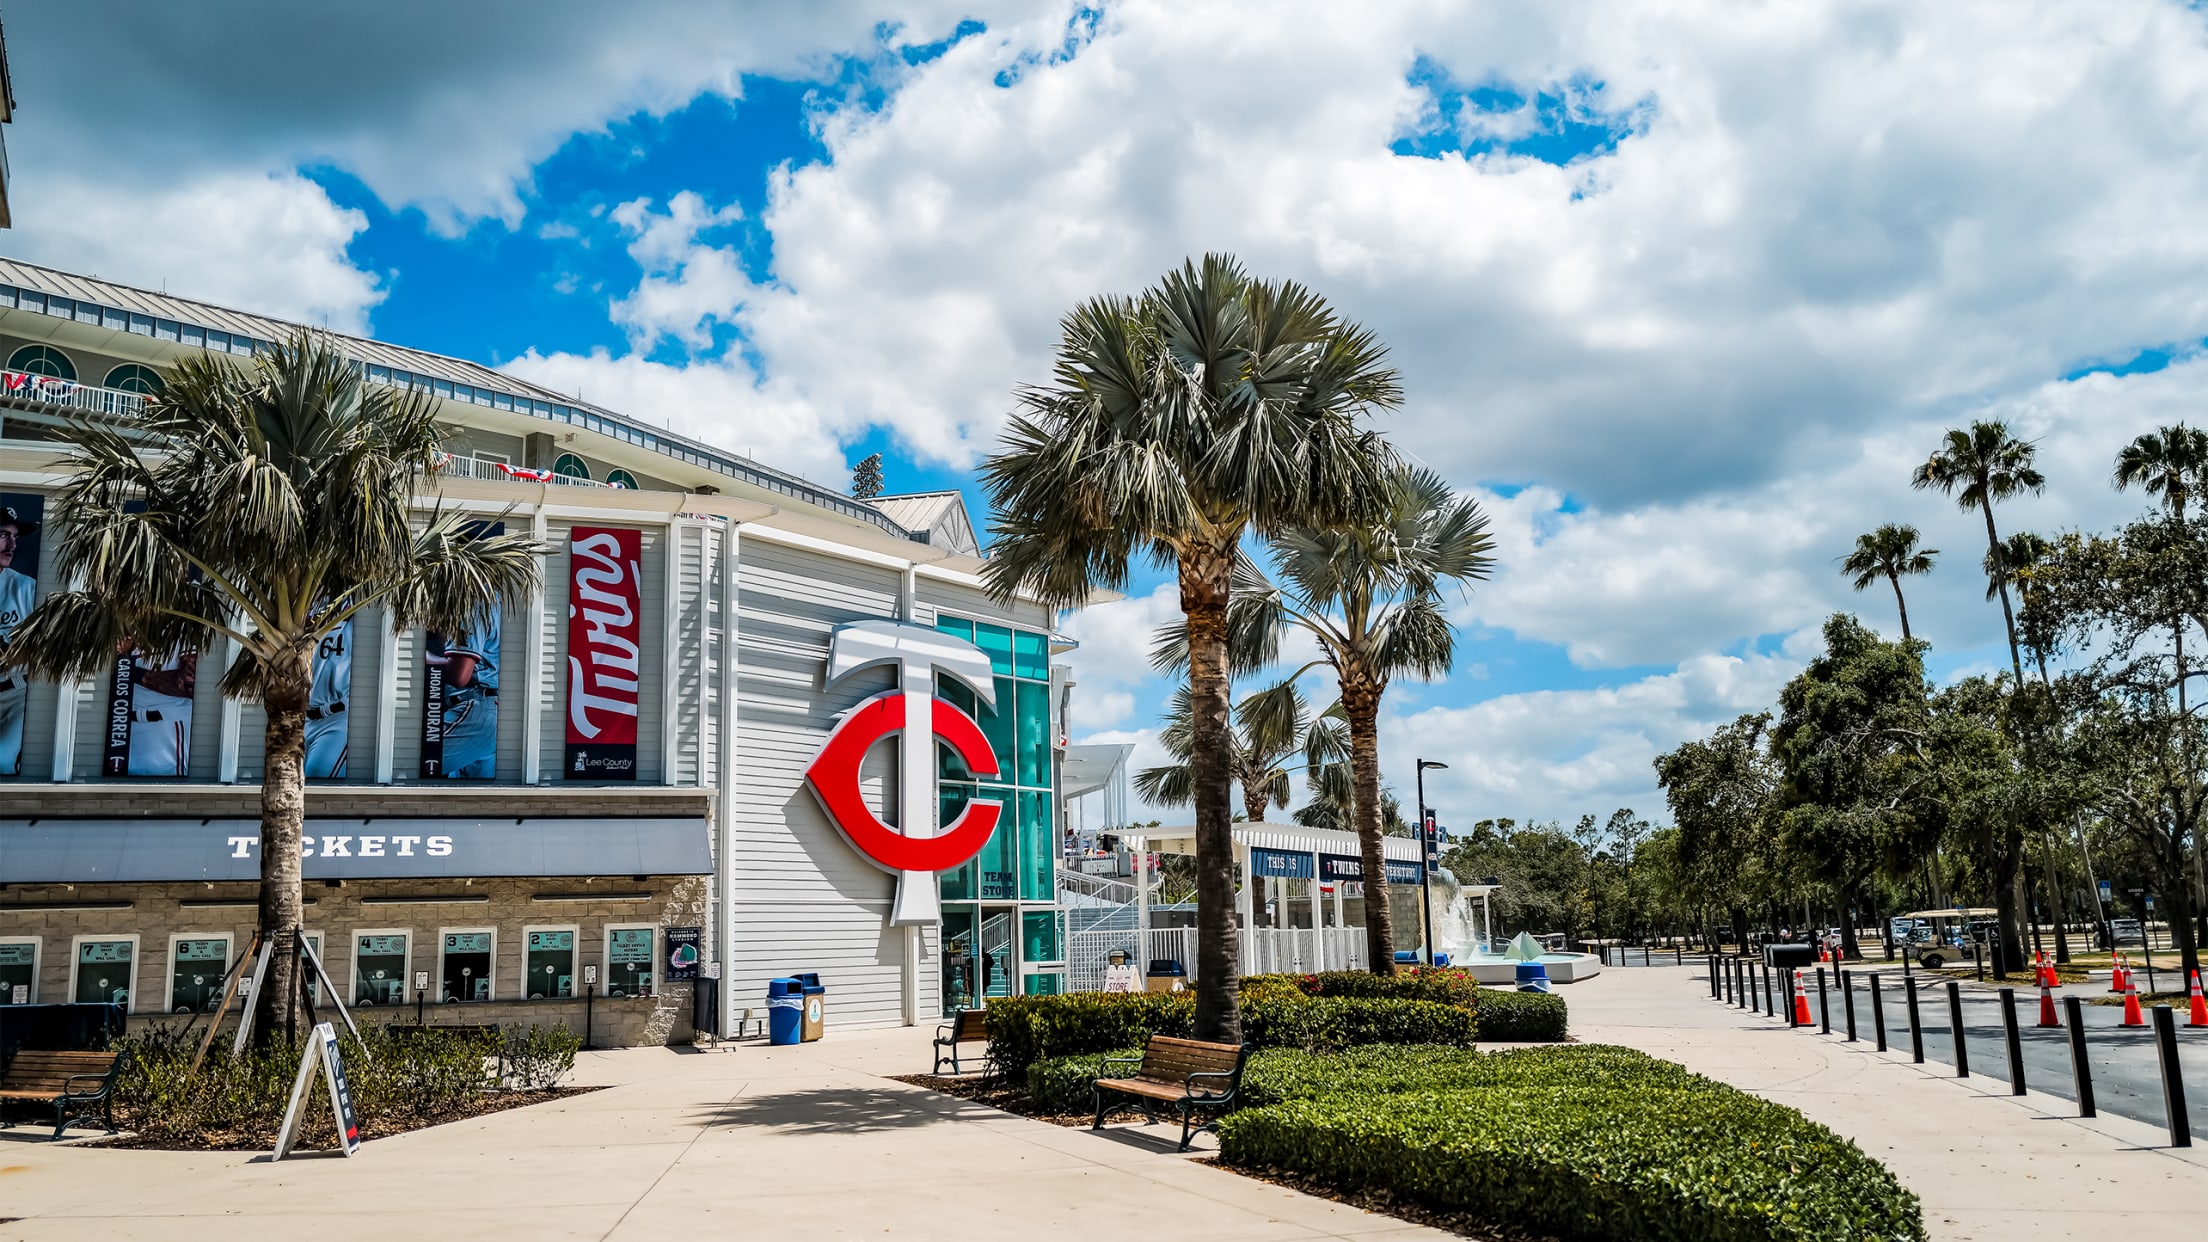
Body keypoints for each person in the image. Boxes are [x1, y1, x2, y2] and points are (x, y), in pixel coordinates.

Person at [430, 611, 500, 778]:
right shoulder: (498, 601)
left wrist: (424, 658)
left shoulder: (474, 603)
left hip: (475, 711)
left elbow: (459, 675)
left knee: (414, 761)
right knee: (472, 797)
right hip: (489, 711)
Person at [0, 505, 36, 776]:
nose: (12, 544)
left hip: (17, 692)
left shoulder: (28, 589)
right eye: (3, 535)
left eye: (15, 537)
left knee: (2, 759)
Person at [303, 617, 351, 778]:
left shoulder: (357, 622)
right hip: (301, 717)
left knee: (317, 775)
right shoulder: (311, 611)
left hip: (335, 719)